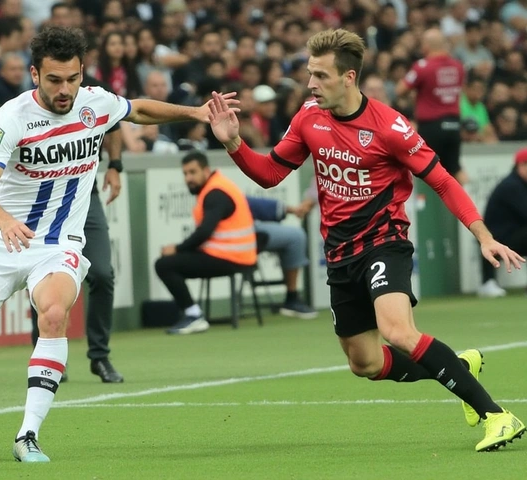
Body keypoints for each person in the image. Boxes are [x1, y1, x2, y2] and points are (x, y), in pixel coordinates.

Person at [207, 28, 526, 452]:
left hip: (383, 241)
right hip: (339, 253)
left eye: (320, 75)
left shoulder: (390, 127)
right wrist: (233, 142)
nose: (310, 84)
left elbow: (444, 182)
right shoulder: (308, 118)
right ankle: (457, 367)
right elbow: (270, 174)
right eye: (309, 74)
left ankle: (498, 416)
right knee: (365, 363)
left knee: (397, 331)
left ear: (349, 77)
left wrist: (482, 234)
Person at [0, 26, 239, 463]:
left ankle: (28, 437)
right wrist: (3, 222)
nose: (65, 90)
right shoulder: (10, 118)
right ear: (35, 74)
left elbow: (139, 110)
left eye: (73, 79)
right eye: (55, 80)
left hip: (60, 243)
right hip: (3, 240)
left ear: (82, 74)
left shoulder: (95, 102)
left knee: (53, 314)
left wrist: (196, 113)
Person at [29, 117, 125, 384]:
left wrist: (115, 165)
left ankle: (99, 356)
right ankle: (47, 355)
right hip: (44, 201)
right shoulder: (35, 104)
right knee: (43, 274)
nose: (64, 86)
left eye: (72, 77)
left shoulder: (96, 96)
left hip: (85, 198)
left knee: (103, 273)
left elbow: (115, 124)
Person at [155, 150, 257, 335]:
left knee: (164, 265)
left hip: (229, 257)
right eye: (185, 174)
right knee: (170, 262)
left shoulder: (215, 193)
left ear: (206, 170)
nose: (188, 178)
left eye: (193, 172)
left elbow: (204, 233)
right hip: (233, 255)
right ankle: (193, 313)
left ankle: (194, 315)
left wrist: (177, 248)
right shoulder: (217, 186)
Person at [396, 28, 467, 184]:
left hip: (432, 126)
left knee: (426, 168)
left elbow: (400, 90)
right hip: (454, 124)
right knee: (454, 169)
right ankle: (468, 203)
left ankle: (426, 207)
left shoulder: (423, 66)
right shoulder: (458, 66)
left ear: (426, 46)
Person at [245, 196, 317, 319]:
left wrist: (292, 210)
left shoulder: (218, 184)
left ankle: (292, 298)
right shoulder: (212, 189)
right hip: (228, 239)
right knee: (296, 236)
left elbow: (251, 204)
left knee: (295, 236)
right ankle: (292, 298)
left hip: (241, 232)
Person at [477, 148, 527, 298]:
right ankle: (488, 282)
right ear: (521, 166)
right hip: (497, 238)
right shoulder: (512, 186)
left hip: (509, 235)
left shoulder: (520, 184)